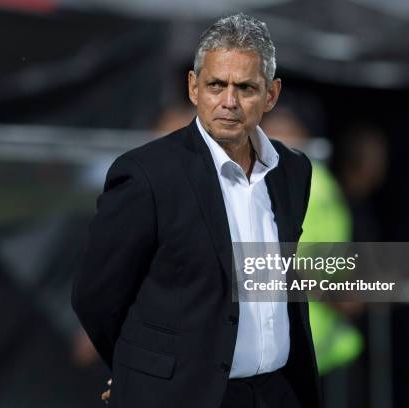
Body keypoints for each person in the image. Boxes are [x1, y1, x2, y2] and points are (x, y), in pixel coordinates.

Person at [72, 13, 320, 408]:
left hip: (276, 393)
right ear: (193, 87)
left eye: (246, 88)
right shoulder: (146, 173)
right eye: (216, 85)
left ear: (271, 95)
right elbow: (96, 296)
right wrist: (141, 372)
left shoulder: (293, 171)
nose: (229, 101)